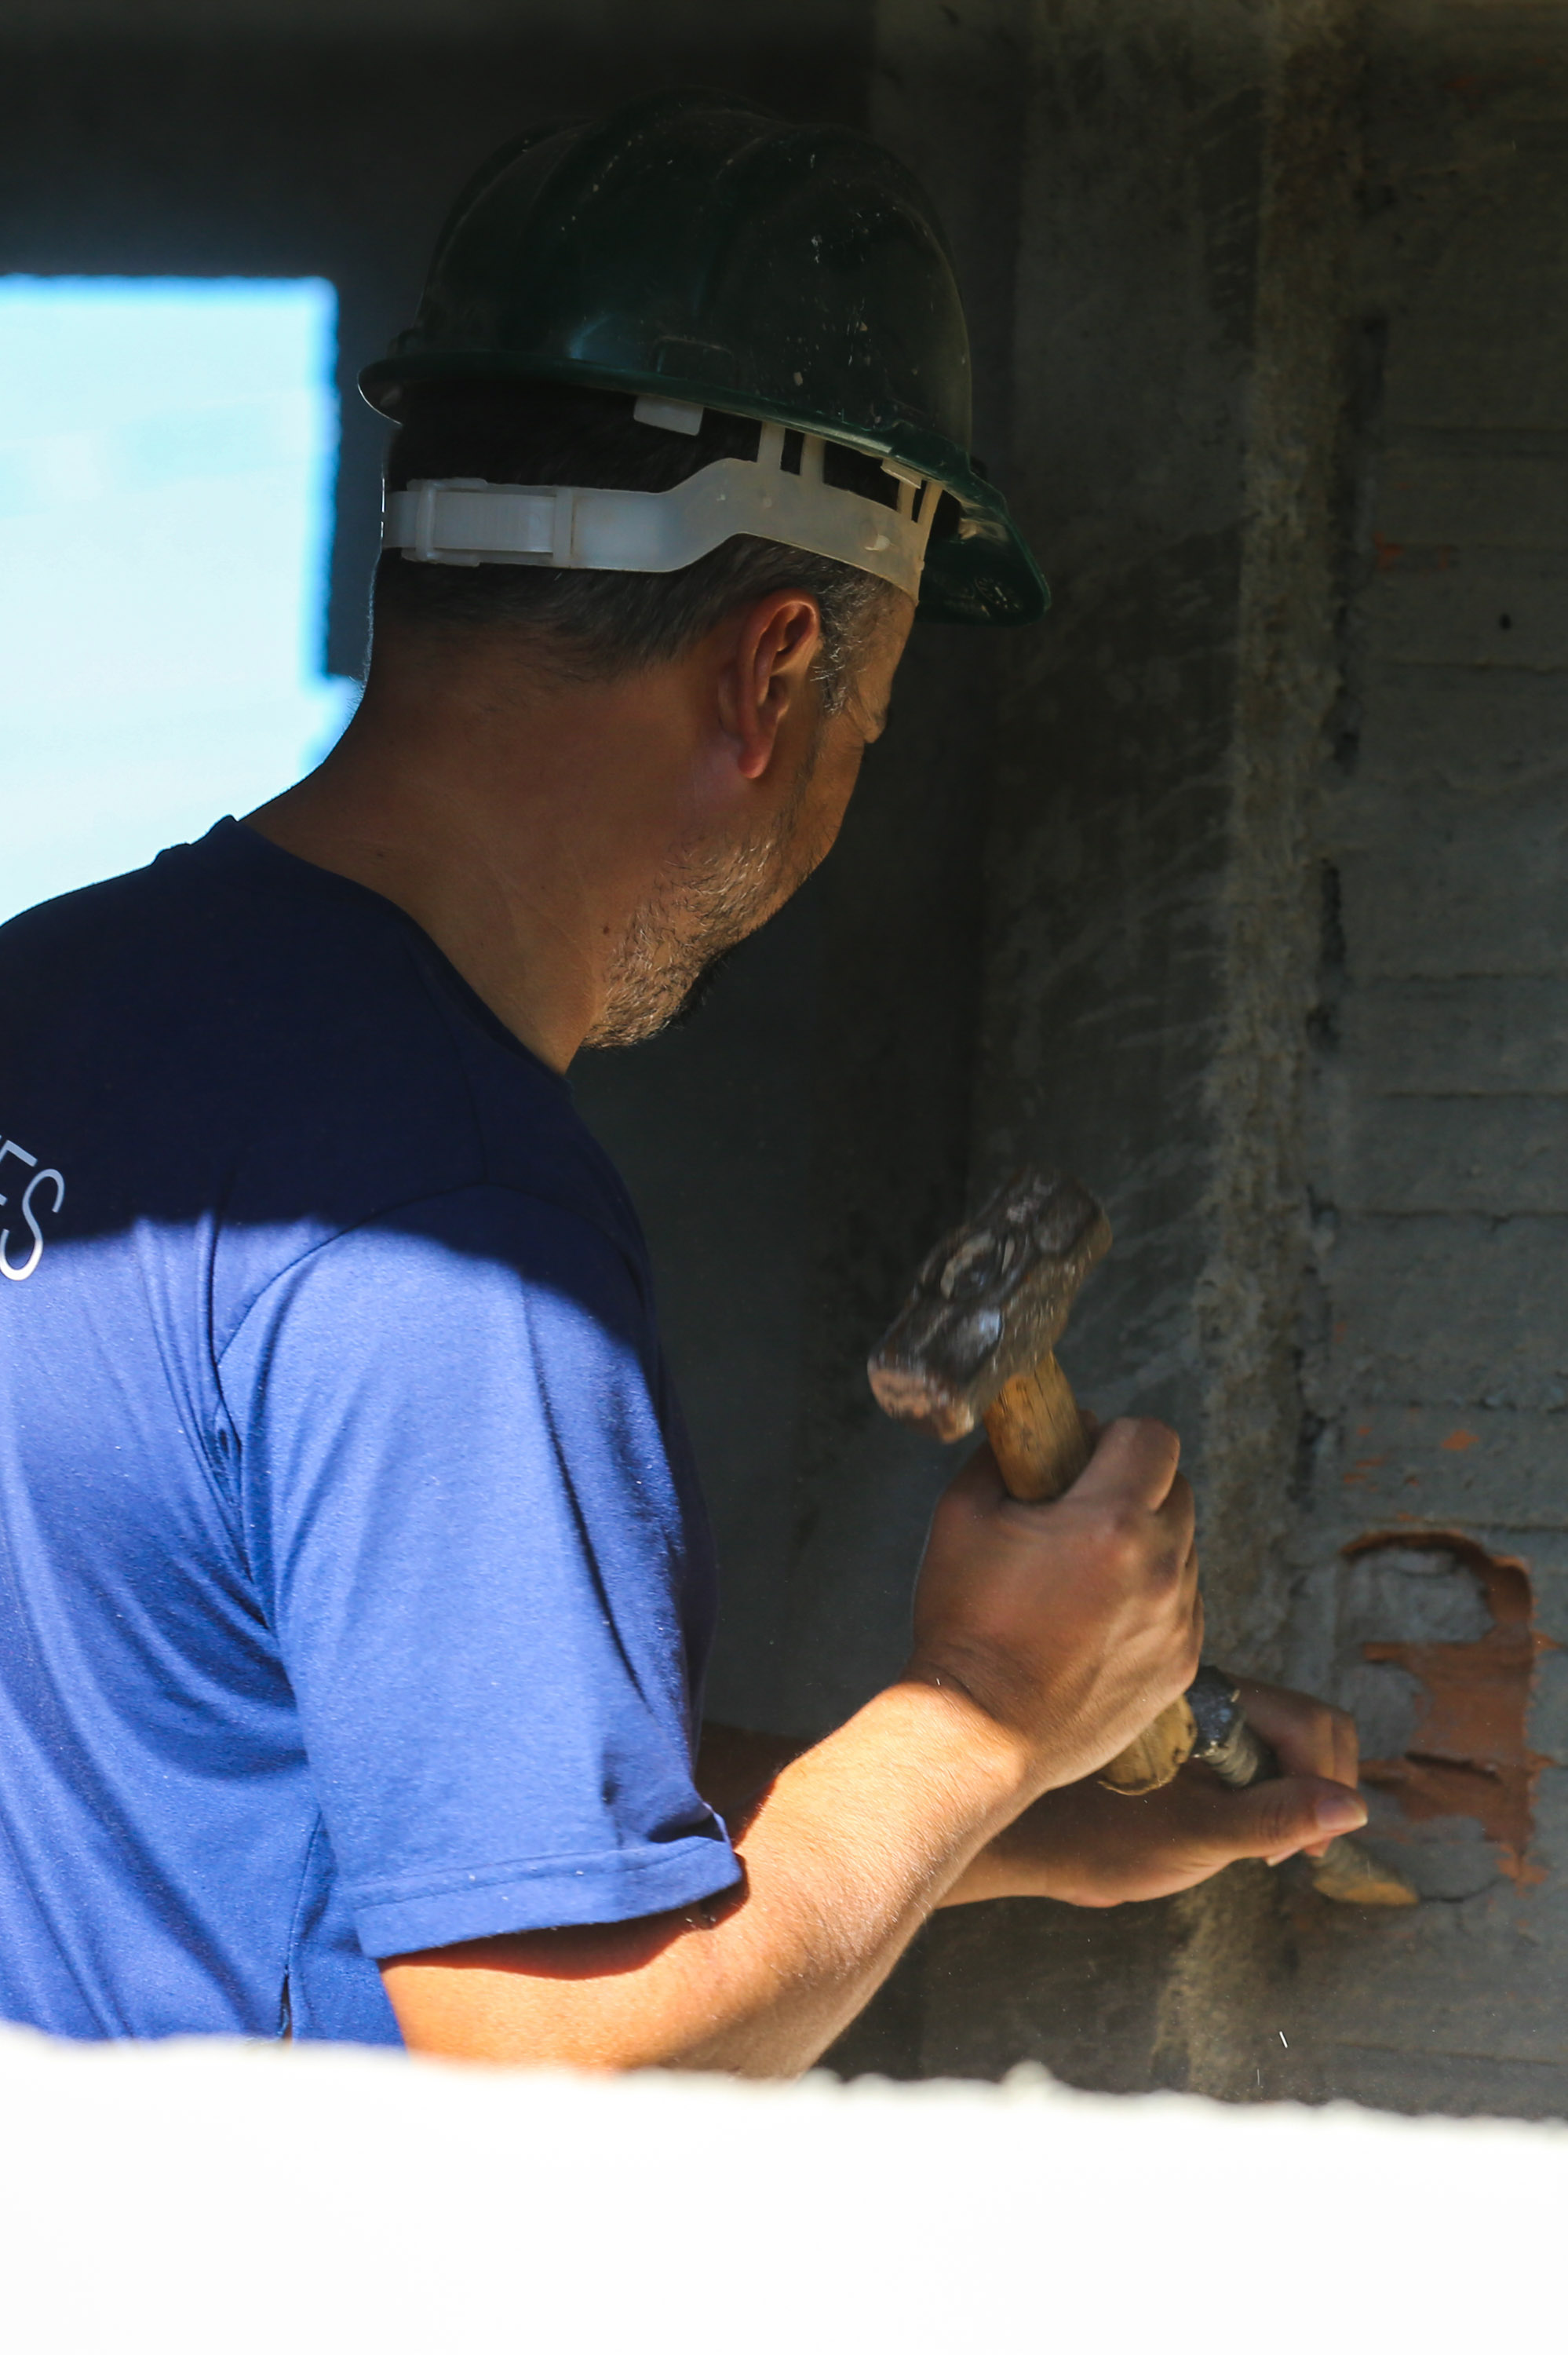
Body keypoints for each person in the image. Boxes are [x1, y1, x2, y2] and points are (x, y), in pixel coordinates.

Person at [0, 93, 1366, 2072]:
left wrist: (1013, 1810)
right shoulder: (444, 1229)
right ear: (773, 673)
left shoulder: (55, 999)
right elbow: (551, 2071)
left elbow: (396, 1776)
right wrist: (984, 1694)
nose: (840, 788)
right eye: (869, 724)